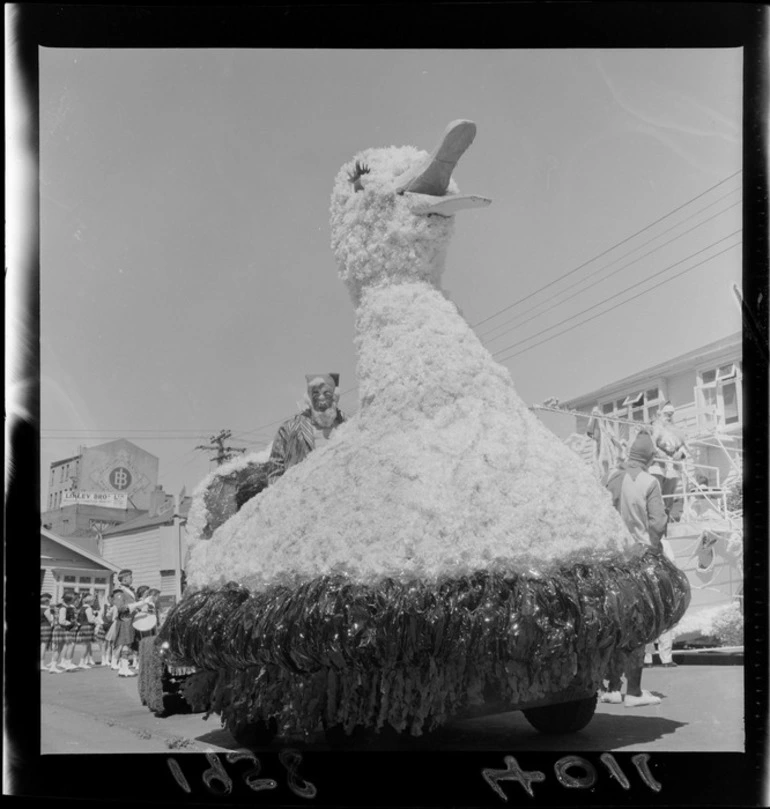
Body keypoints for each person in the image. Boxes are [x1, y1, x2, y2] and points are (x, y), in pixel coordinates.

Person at [602, 430, 668, 707]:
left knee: (615, 625)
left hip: (612, 563)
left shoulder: (611, 478)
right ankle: (635, 692)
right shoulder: (650, 482)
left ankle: (613, 688)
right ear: (650, 457)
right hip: (639, 563)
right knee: (638, 626)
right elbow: (657, 525)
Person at [267, 373, 347, 485]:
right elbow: (275, 471)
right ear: (309, 398)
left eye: (326, 393)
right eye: (316, 393)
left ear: (335, 396)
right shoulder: (289, 429)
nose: (321, 397)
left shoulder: (350, 426)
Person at [649, 403, 688, 521]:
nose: (669, 417)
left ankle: (666, 519)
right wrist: (658, 452)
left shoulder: (675, 430)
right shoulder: (655, 428)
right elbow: (651, 443)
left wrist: (680, 453)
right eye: (667, 414)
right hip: (658, 464)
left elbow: (683, 446)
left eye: (671, 414)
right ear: (661, 413)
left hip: (673, 465)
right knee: (657, 493)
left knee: (669, 494)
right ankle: (656, 519)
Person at [50, 592, 79, 673]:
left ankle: (53, 666)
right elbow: (62, 621)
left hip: (60, 629)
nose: (74, 601)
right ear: (69, 600)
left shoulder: (63, 606)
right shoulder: (63, 608)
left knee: (59, 648)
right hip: (62, 629)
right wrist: (71, 623)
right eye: (73, 600)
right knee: (69, 645)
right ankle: (67, 664)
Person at [75, 594, 99, 668]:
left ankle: (83, 661)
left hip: (82, 626)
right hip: (87, 627)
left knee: (85, 645)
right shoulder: (88, 609)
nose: (94, 602)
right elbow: (90, 620)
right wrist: (95, 617)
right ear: (90, 601)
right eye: (93, 601)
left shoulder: (82, 608)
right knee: (85, 645)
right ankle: (82, 662)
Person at [40, 592, 55, 670]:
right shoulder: (46, 609)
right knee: (43, 646)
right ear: (46, 601)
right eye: (49, 601)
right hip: (45, 627)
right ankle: (41, 664)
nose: (49, 602)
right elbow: (50, 619)